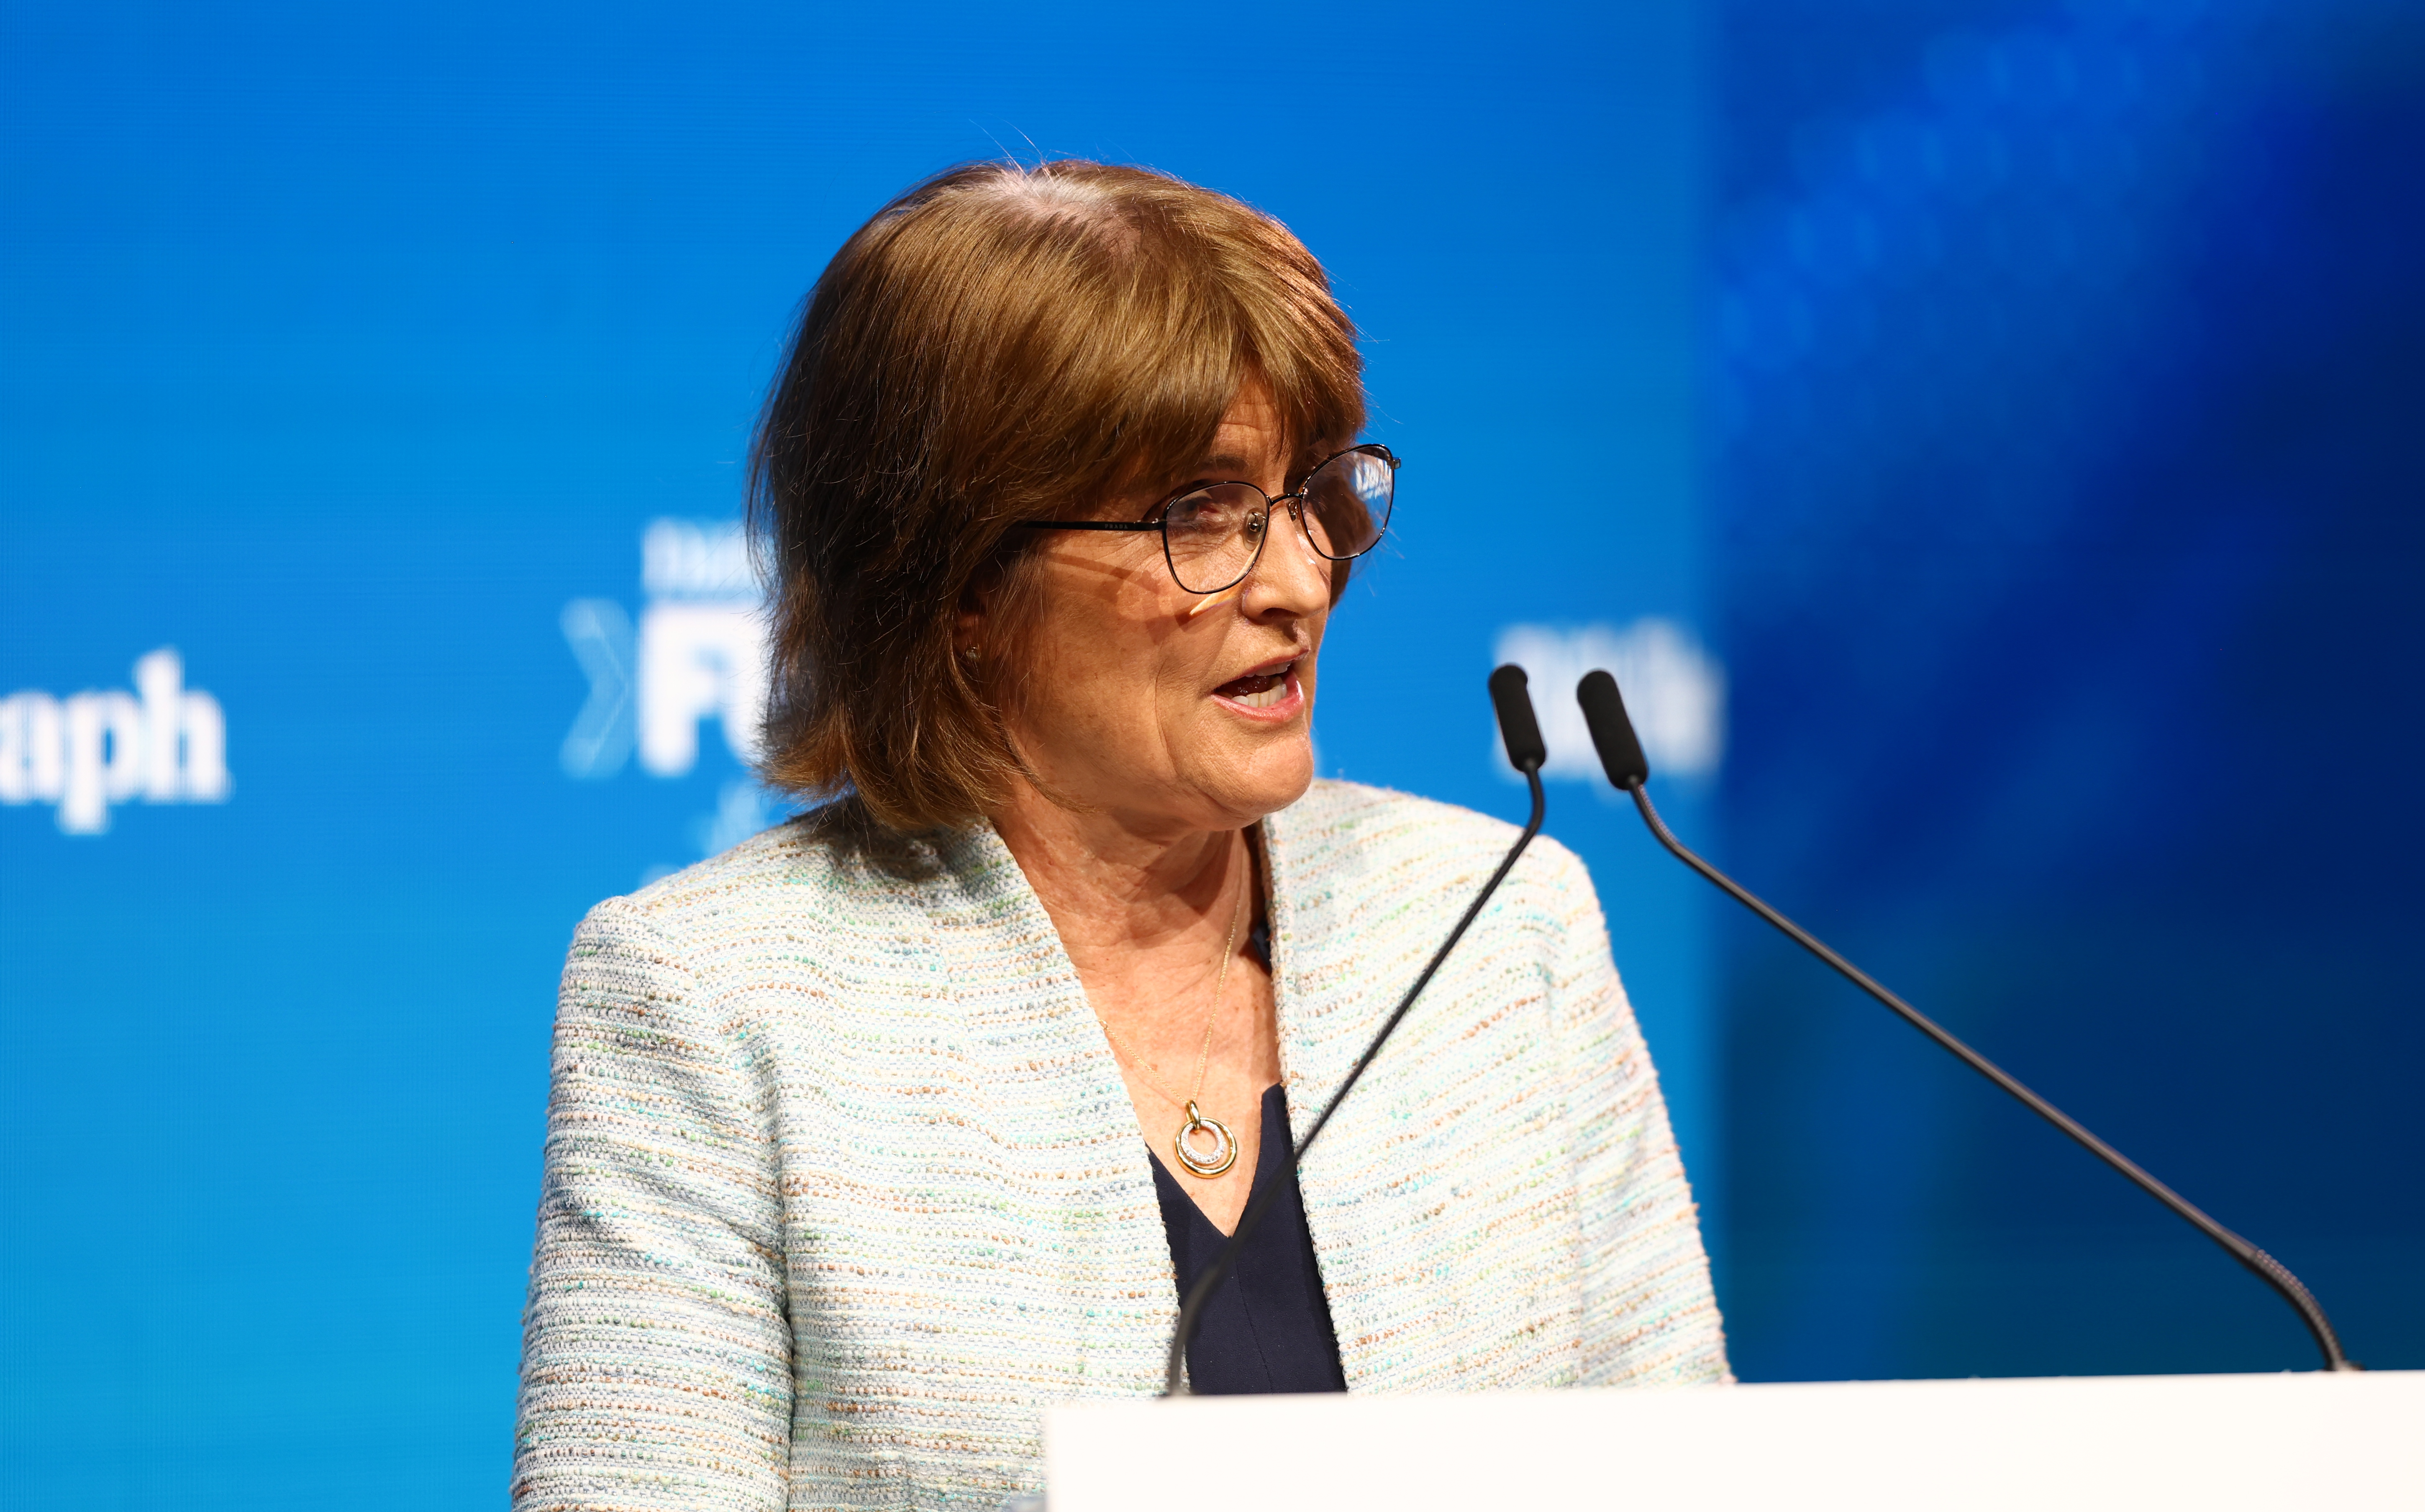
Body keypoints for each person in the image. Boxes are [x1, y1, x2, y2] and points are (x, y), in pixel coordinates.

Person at [511, 160, 1728, 1511]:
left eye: (1311, 494)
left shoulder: (1496, 924)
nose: (1299, 579)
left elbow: (1691, 1472)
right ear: (960, 582)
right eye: (1198, 514)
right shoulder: (716, 1000)